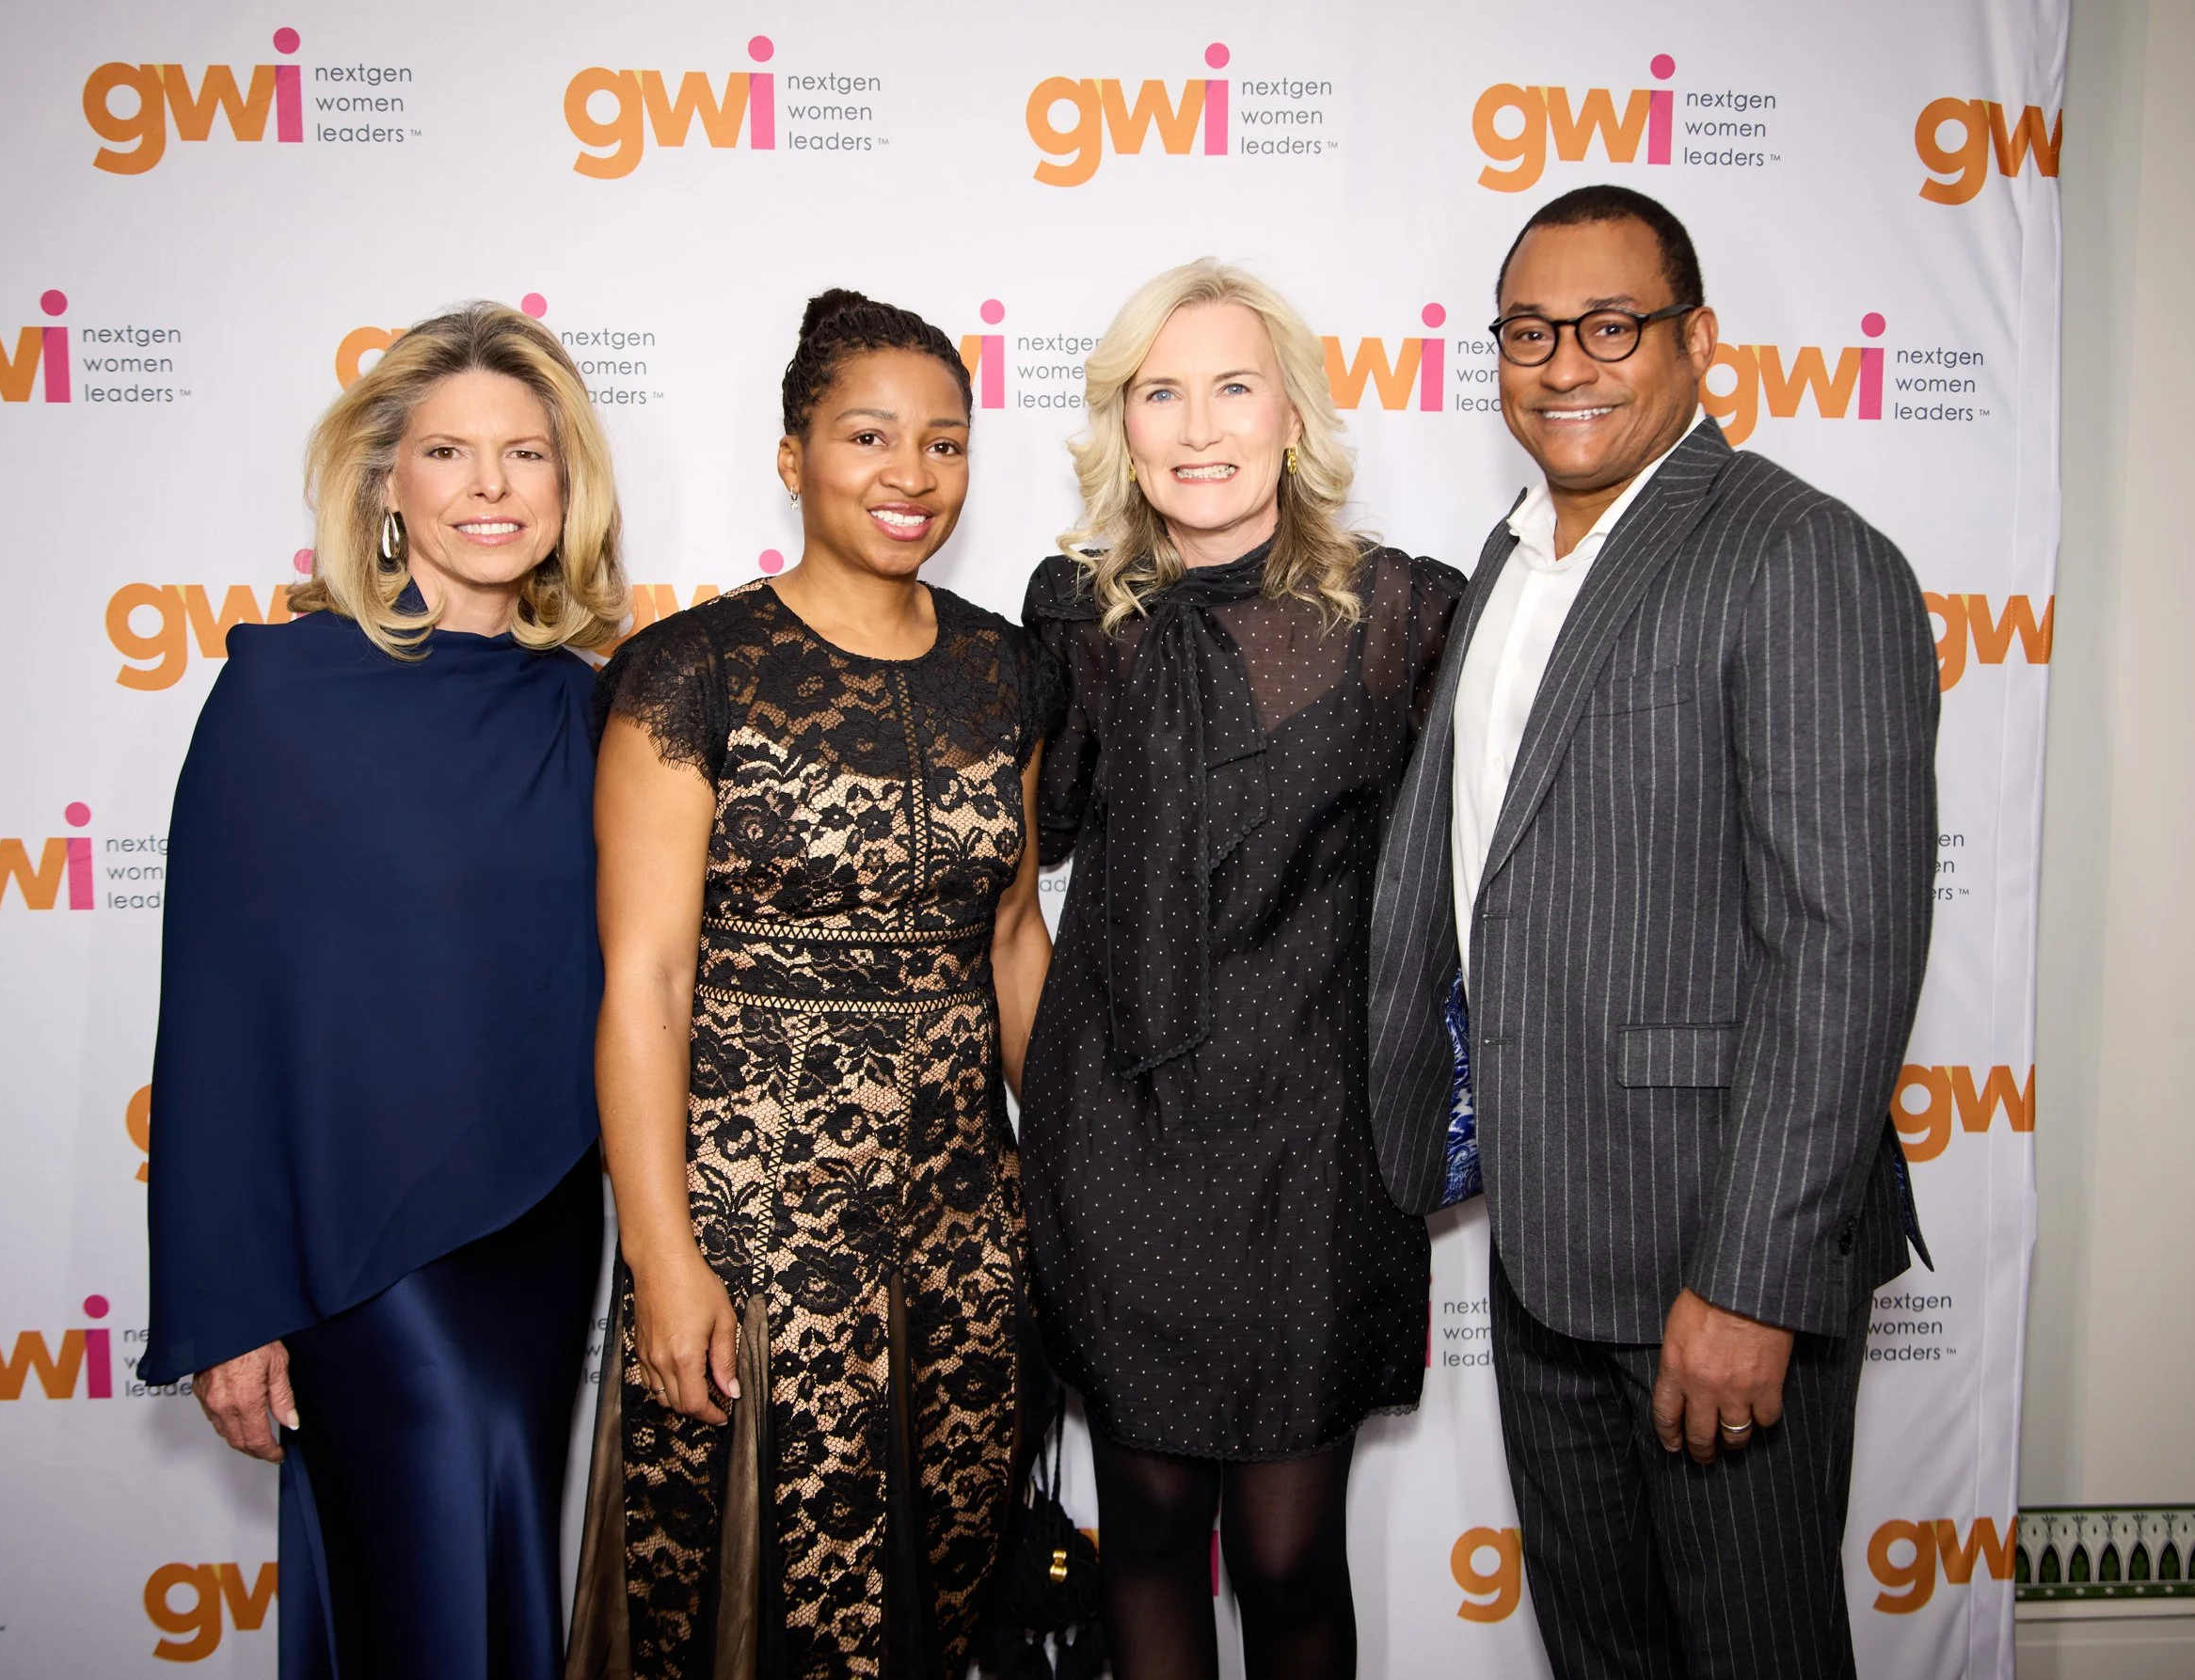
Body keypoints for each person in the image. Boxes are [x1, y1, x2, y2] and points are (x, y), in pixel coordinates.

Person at [1366, 184, 1940, 1679]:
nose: (1567, 364)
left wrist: (1750, 1278)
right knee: (1601, 1654)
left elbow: (1846, 945)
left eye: (1611, 326)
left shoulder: (1798, 554)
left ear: (1695, 341)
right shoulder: (1511, 560)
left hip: (1713, 1253)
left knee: (1756, 1651)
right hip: (1549, 1245)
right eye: (1532, 331)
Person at [565, 290, 1059, 1679]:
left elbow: (1014, 937)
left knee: (946, 1582)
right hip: (757, 1215)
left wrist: (1071, 1184)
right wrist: (665, 1260)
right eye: (869, 436)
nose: (912, 475)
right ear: (794, 455)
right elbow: (648, 982)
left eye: (945, 442)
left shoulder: (1002, 668)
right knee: (774, 1598)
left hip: (964, 1214)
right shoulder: (690, 670)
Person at [140, 302, 627, 1678]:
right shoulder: (284, 697)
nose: (489, 487)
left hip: (536, 1223)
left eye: (524, 454)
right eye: (450, 454)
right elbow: (218, 1016)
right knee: (439, 1581)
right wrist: (225, 1301)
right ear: (387, 488)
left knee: (491, 1553)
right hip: (367, 1251)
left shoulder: (591, 708)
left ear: (566, 482)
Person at [1019, 259, 1461, 1680]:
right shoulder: (1076, 617)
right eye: (1162, 391)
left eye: (1232, 387)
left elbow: (1499, 863)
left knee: (1285, 1552)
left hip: (1313, 1147)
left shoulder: (1403, 612)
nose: (1198, 426)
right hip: (1124, 1136)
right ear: (1123, 423)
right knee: (1145, 1530)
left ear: (1291, 417)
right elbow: (1013, 866)